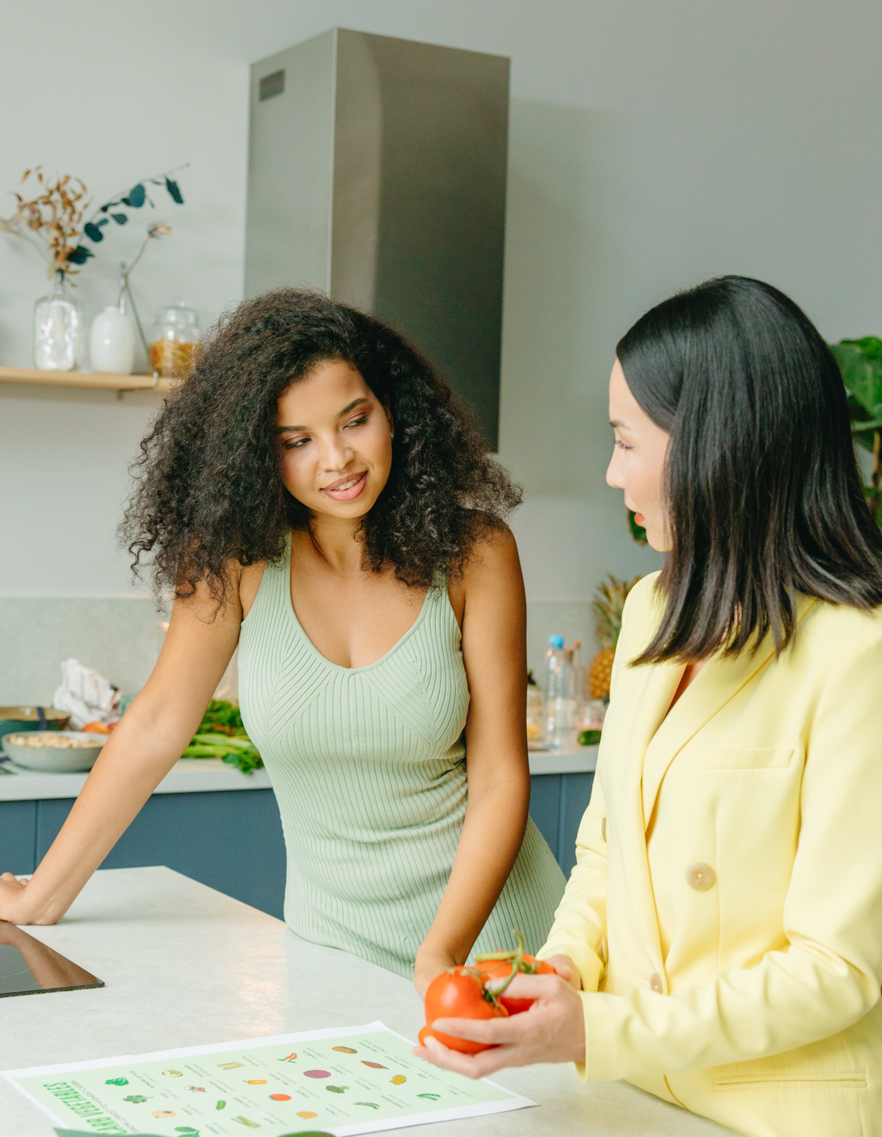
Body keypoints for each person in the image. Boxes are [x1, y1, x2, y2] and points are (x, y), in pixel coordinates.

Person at [415, 276, 882, 1137]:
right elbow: (606, 852)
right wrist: (557, 972)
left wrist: (597, 1029)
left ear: (720, 449)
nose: (612, 473)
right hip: (637, 1112)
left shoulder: (864, 651)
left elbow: (835, 971)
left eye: (626, 440)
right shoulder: (648, 613)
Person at [0, 289, 565, 990]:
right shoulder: (234, 559)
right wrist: (41, 897)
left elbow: (501, 778)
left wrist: (440, 954)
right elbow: (152, 725)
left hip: (494, 945)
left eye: (354, 420)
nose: (336, 459)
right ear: (253, 456)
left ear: (394, 410)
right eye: (296, 441)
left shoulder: (475, 551)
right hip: (329, 957)